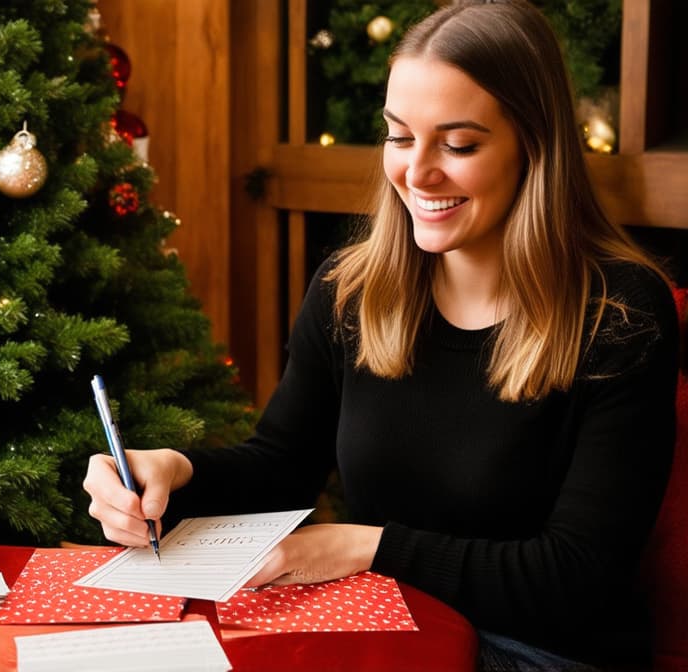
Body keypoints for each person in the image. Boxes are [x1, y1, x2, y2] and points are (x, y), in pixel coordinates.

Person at [82, 1, 678, 669]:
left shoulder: (622, 314)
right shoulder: (351, 289)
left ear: (534, 148)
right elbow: (282, 467)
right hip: (385, 633)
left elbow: (575, 577)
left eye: (458, 145)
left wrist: (366, 547)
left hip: (540, 652)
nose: (417, 173)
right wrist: (172, 472)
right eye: (399, 136)